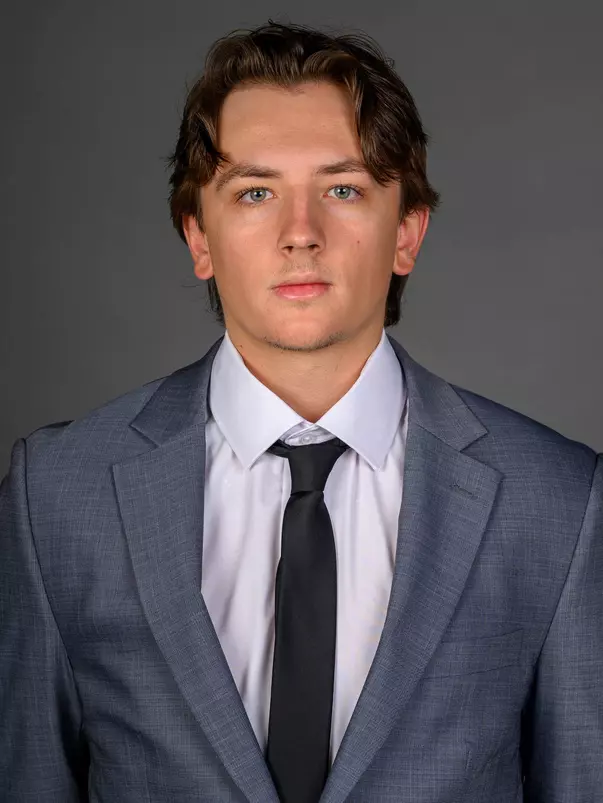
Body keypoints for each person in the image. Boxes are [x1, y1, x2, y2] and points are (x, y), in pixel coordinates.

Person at [1, 18, 601, 803]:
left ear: (406, 235)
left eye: (342, 189)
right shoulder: (55, 495)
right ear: (199, 238)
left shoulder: (557, 502)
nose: (299, 234)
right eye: (255, 192)